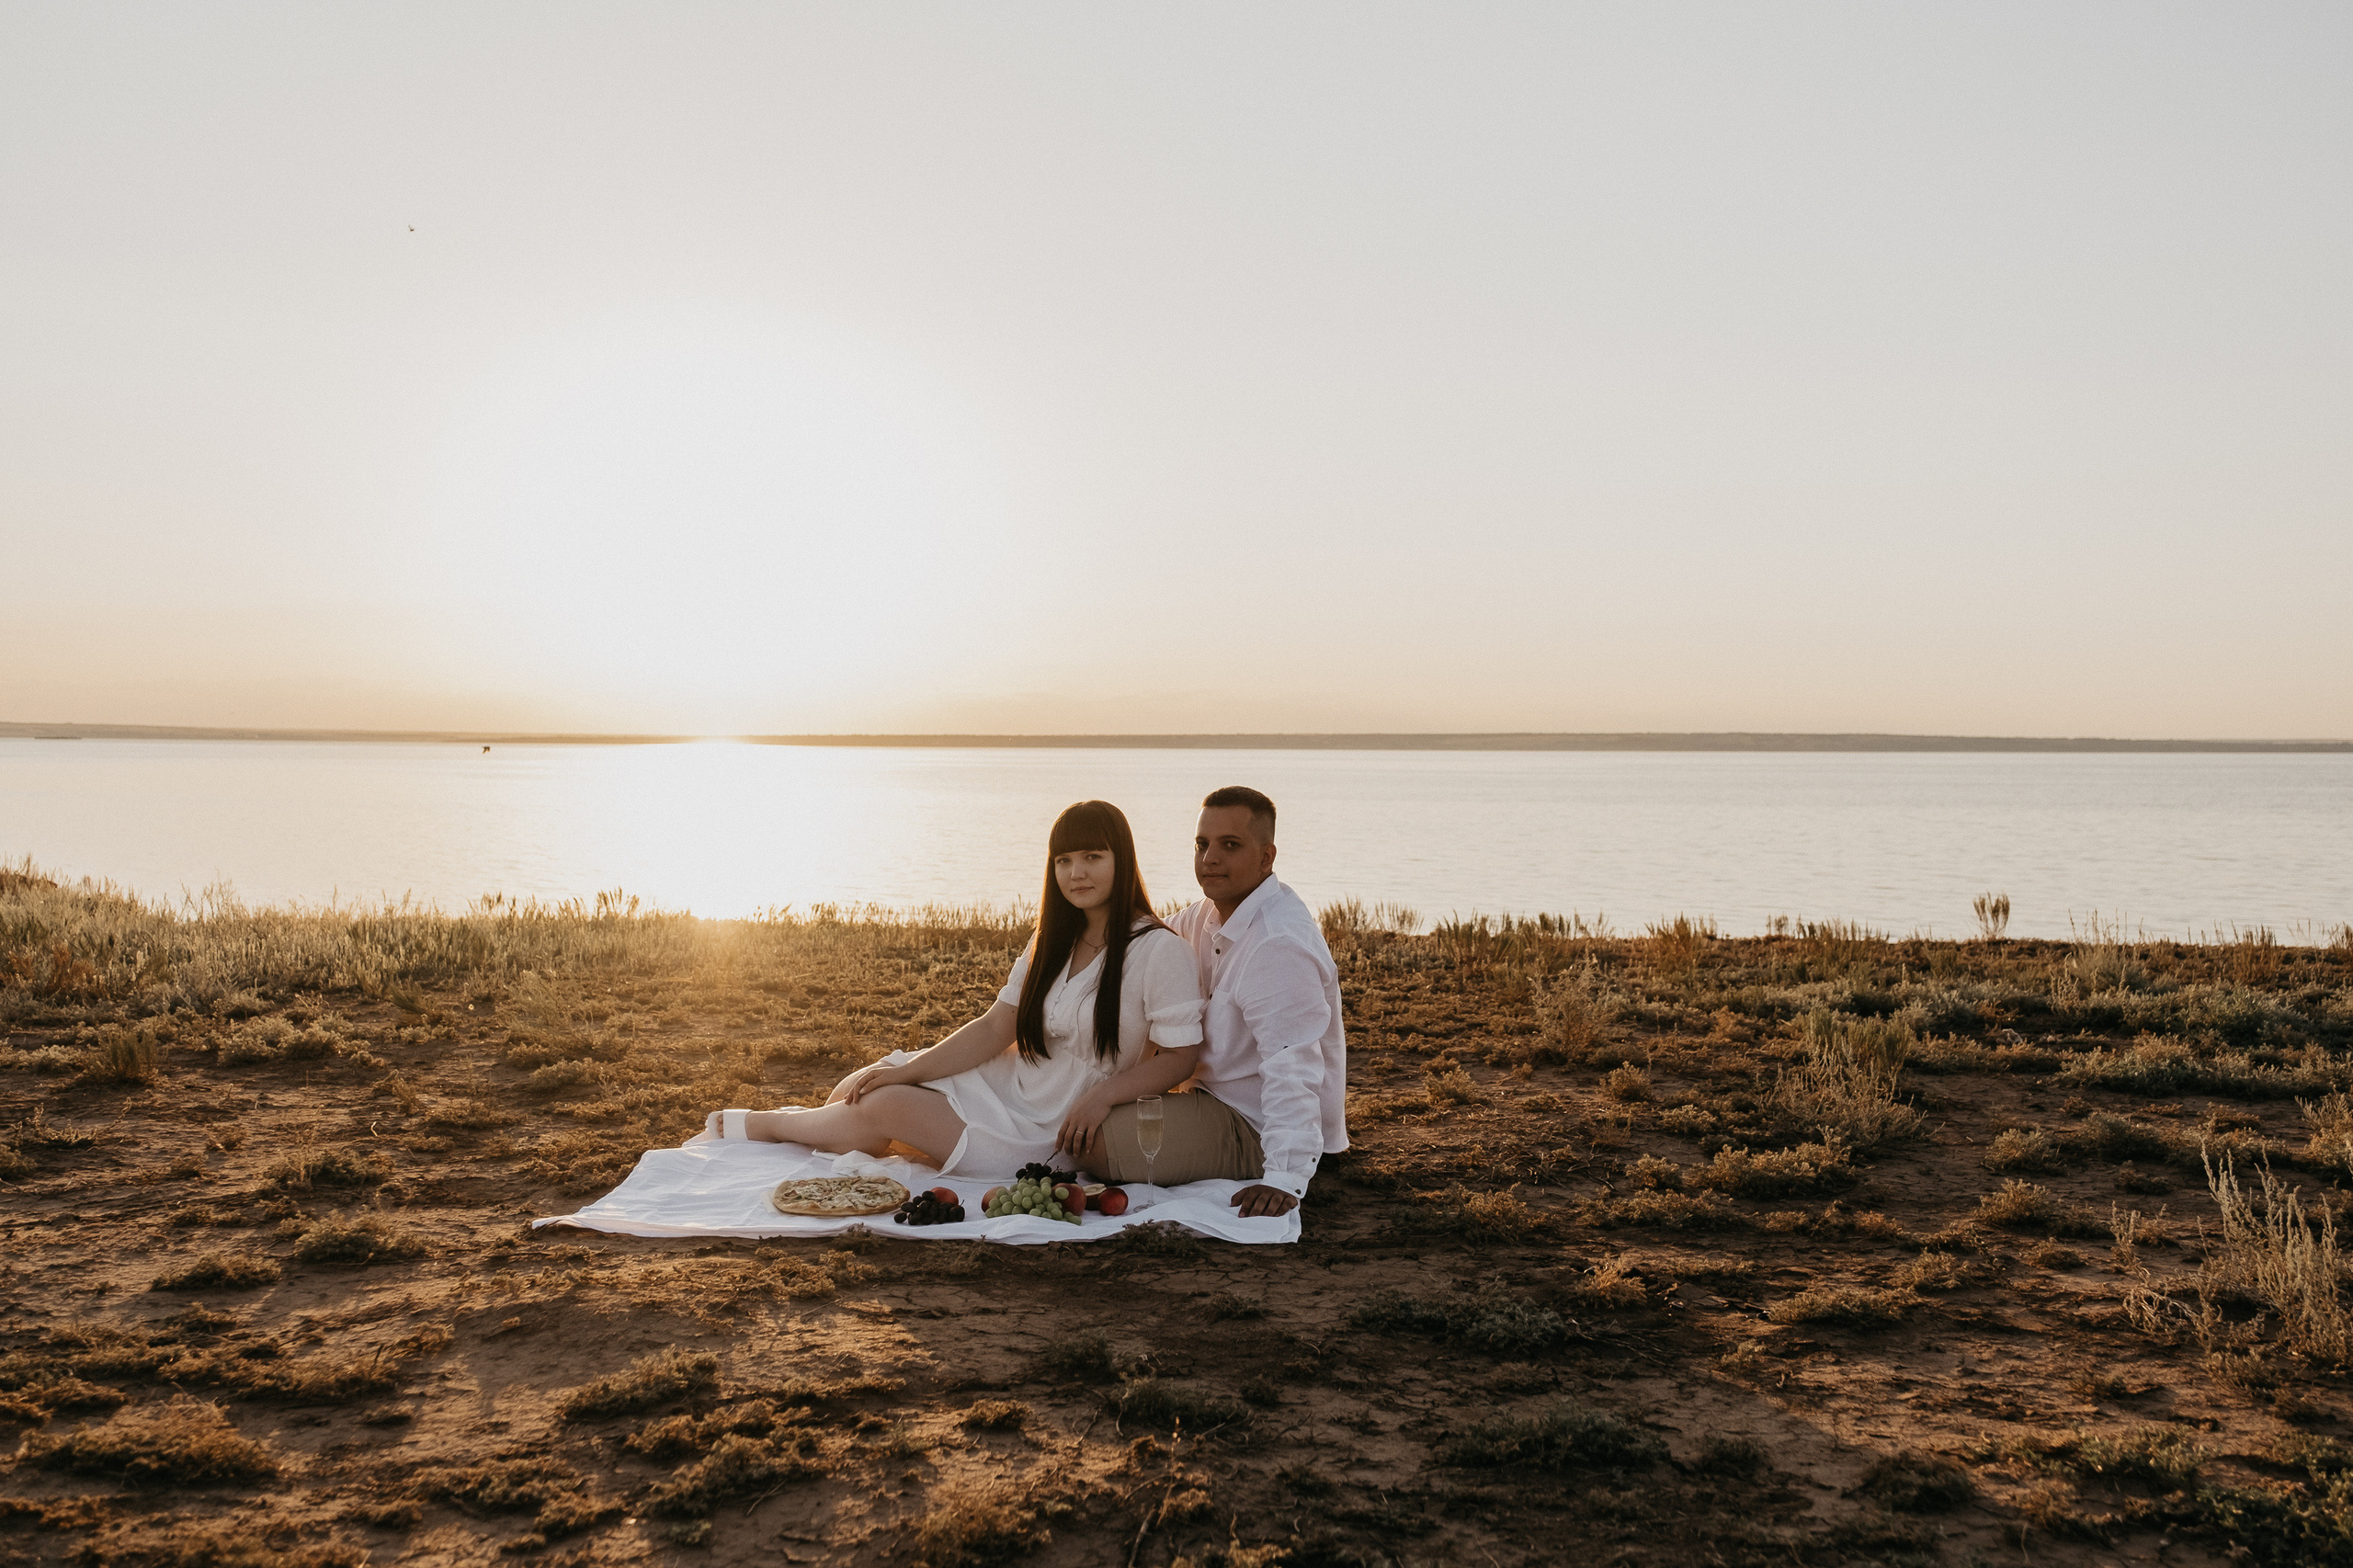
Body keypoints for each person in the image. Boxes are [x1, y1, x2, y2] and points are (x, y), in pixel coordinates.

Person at [699, 800, 1204, 1175]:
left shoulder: (1160, 950)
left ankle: (769, 1125)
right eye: (1063, 860)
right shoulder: (1053, 939)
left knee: (880, 1106)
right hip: (1008, 1085)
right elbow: (995, 1027)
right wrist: (909, 1070)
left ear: (1122, 859)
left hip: (1050, 1123)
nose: (1076, 873)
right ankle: (833, 1127)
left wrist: (1103, 1100)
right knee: (863, 1085)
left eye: (1093, 856)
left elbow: (1180, 1058)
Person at [1090, 786, 1348, 1217]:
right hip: (1209, 1099)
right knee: (1074, 1110)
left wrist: (1283, 1177)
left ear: (1266, 858)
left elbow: (1293, 1066)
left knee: (1096, 1144)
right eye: (1201, 844)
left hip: (1253, 1123)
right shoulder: (1205, 916)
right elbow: (1140, 945)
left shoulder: (1278, 944)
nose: (1209, 858)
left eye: (1230, 845)